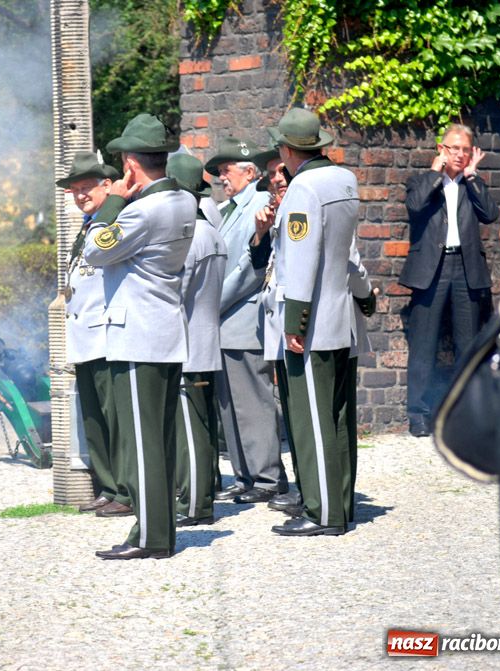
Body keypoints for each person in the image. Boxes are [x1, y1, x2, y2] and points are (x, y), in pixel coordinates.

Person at [82, 113, 197, 560]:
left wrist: (111, 202)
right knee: (160, 438)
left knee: (143, 440)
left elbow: (95, 250)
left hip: (137, 335)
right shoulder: (185, 201)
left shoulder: (143, 211)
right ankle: (157, 530)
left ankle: (151, 537)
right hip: (164, 329)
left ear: (131, 164)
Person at [263, 107, 363, 537]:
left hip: (312, 321)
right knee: (339, 418)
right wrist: (366, 295)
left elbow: (301, 263)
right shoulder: (344, 179)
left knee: (312, 420)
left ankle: (323, 512)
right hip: (341, 315)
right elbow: (347, 252)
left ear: (287, 150)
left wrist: (294, 324)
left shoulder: (303, 189)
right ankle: (338, 501)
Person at [400, 123, 499, 438]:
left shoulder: (473, 184)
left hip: (466, 268)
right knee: (423, 344)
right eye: (453, 148)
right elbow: (415, 207)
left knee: (468, 345)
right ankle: (418, 414)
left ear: (472, 154)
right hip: (432, 269)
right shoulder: (422, 181)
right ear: (441, 149)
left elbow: (490, 215)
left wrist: (472, 176)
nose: (459, 154)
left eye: (465, 149)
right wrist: (434, 173)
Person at [203, 138, 287, 505]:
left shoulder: (257, 203)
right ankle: (244, 476)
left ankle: (267, 476)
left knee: (252, 402)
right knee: (230, 405)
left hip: (242, 315)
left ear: (249, 172)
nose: (221, 177)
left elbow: (248, 267)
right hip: (226, 319)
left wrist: (213, 303)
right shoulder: (232, 207)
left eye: (227, 169)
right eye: (220, 171)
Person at [57, 151, 127, 515]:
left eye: (86, 188)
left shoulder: (114, 220)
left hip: (104, 333)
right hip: (83, 333)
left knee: (114, 417)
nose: (80, 195)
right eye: (75, 190)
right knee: (94, 418)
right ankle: (108, 485)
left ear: (107, 187)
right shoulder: (88, 224)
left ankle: (126, 490)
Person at [166, 152, 227, 527]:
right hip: (205, 340)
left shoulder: (191, 236)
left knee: (191, 431)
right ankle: (201, 496)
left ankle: (195, 505)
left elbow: (175, 291)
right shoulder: (212, 232)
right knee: (202, 430)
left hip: (188, 343)